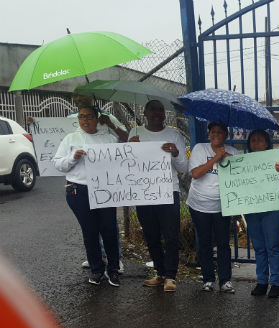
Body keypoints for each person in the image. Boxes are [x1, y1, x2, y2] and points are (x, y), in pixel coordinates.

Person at [52, 105, 121, 286]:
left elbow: (123, 158)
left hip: (105, 190)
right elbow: (58, 164)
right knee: (90, 231)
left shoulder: (108, 139)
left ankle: (113, 269)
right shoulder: (71, 138)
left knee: (109, 229)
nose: (85, 120)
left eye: (89, 116)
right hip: (79, 190)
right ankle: (97, 269)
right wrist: (73, 158)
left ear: (97, 118)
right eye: (81, 116)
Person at [128, 100, 188, 292]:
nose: (156, 113)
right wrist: (129, 149)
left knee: (171, 236)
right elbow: (127, 166)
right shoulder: (135, 134)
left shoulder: (174, 135)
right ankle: (160, 273)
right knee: (151, 235)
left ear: (164, 114)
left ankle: (171, 276)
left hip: (168, 191)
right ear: (144, 112)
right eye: (152, 109)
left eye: (160, 110)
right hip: (144, 193)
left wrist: (177, 152)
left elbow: (184, 168)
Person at [187, 122, 239, 294]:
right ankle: (208, 278)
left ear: (226, 135)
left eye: (220, 132)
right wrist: (217, 157)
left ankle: (225, 280)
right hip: (199, 205)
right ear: (209, 134)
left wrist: (229, 159)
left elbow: (240, 176)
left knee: (224, 243)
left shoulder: (234, 152)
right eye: (213, 132)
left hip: (223, 206)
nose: (216, 135)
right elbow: (196, 173)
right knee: (204, 243)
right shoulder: (200, 149)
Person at [245, 130, 279, 298]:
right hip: (253, 209)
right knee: (259, 247)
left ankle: (276, 283)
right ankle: (262, 281)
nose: (256, 143)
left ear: (267, 143)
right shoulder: (243, 162)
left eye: (260, 140)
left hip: (272, 208)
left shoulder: (277, 160)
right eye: (253, 140)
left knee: (272, 246)